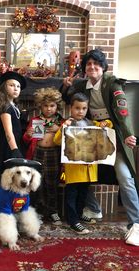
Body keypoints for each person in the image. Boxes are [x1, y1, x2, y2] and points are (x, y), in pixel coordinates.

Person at [61, 48, 139, 245]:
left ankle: (135, 223)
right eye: (88, 64)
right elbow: (67, 99)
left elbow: (122, 110)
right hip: (90, 137)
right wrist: (65, 86)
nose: (92, 67)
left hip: (114, 137)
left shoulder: (112, 83)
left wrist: (129, 134)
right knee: (82, 172)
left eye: (96, 64)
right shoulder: (81, 85)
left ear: (103, 67)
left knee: (124, 176)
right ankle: (94, 208)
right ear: (85, 68)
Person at [53, 92, 112, 234]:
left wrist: (105, 123)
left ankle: (79, 215)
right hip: (73, 169)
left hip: (89, 170)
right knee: (71, 195)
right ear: (71, 109)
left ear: (87, 109)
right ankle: (72, 221)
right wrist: (63, 128)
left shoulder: (91, 123)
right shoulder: (67, 124)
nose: (80, 111)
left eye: (84, 108)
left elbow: (108, 125)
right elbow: (56, 141)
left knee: (83, 194)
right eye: (77, 108)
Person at [23, 87, 63, 225]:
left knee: (52, 183)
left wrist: (60, 130)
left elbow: (68, 139)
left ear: (57, 106)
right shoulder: (36, 120)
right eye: (45, 106)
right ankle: (35, 211)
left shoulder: (60, 121)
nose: (49, 109)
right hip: (37, 153)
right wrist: (28, 134)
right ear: (40, 106)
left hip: (53, 154)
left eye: (52, 106)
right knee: (36, 183)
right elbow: (26, 139)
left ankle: (52, 211)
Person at [0, 71, 26, 184]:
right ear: (4, 87)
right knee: (6, 177)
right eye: (11, 85)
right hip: (7, 146)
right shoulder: (5, 107)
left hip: (15, 143)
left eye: (18, 86)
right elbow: (8, 132)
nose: (16, 88)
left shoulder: (14, 107)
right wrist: (15, 150)